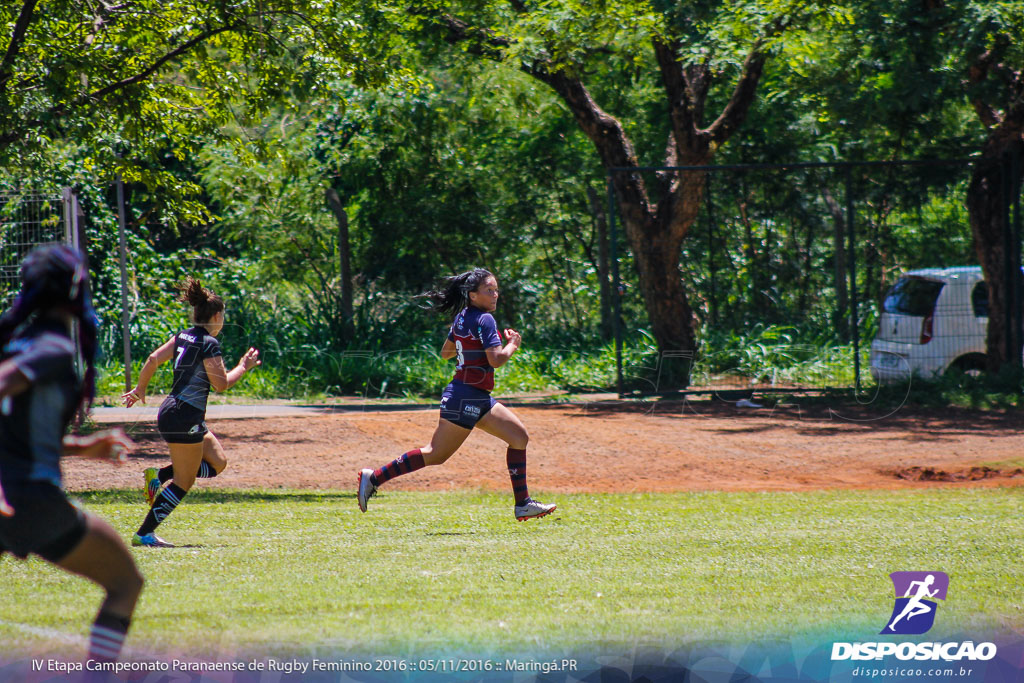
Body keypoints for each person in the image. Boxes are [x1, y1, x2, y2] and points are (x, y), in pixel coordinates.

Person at [0, 245, 143, 664]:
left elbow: (17, 435)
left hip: (18, 494)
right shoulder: (52, 348)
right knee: (125, 583)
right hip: (29, 501)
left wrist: (83, 447)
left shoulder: (17, 343)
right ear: (78, 288)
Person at [357, 268, 556, 521]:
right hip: (466, 397)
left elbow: (446, 353)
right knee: (435, 454)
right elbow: (495, 360)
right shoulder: (484, 319)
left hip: (475, 396)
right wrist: (512, 345)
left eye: (496, 290)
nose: (495, 295)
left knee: (519, 437)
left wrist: (469, 349)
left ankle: (523, 504)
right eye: (489, 290)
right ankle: (373, 477)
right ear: (473, 295)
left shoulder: (463, 317)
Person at [122, 277, 260, 547]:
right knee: (184, 482)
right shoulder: (209, 343)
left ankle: (159, 476)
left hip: (175, 412)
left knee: (218, 462)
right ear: (217, 316)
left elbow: (152, 359)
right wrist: (244, 366)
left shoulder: (183, 335)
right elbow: (221, 385)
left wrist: (140, 389)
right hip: (185, 415)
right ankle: (144, 533)